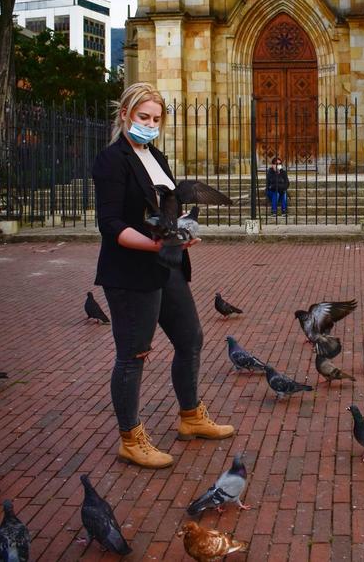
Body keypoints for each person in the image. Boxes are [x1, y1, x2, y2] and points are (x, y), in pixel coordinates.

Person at [92, 82, 235, 469]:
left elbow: (165, 207)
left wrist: (179, 230)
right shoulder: (111, 160)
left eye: (156, 119)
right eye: (143, 117)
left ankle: (190, 417)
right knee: (133, 355)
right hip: (129, 272)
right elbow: (109, 223)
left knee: (191, 339)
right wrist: (156, 244)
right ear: (125, 115)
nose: (150, 124)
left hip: (166, 265)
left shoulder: (157, 157)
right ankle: (130, 438)